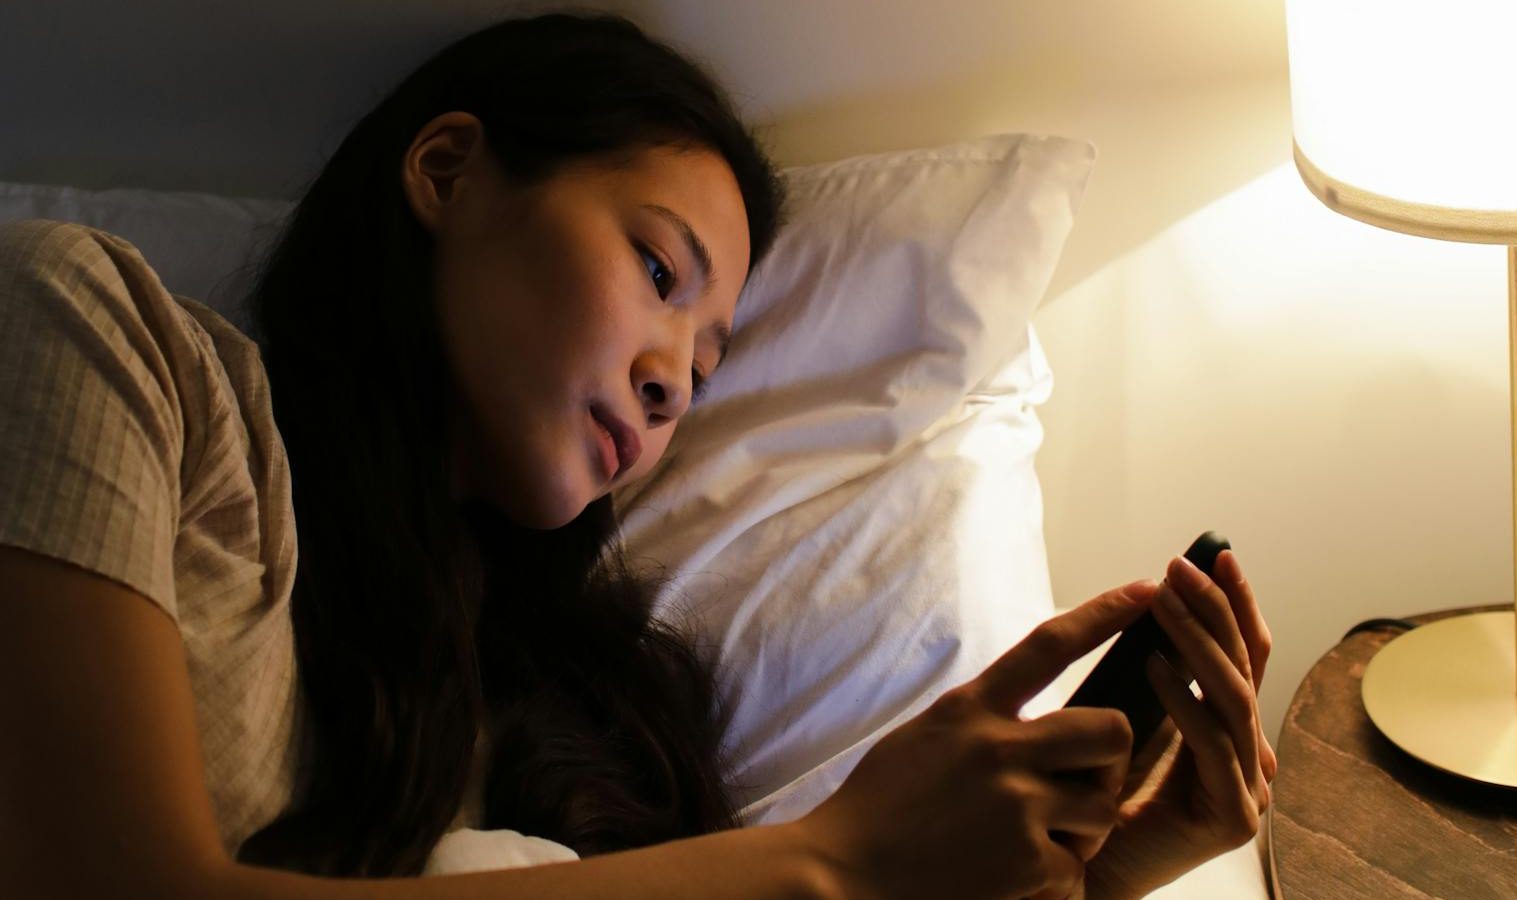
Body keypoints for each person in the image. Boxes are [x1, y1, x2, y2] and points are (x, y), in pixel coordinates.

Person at [0, 12, 1274, 900]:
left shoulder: (531, 706)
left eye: (706, 370)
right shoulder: (99, 337)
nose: (671, 382)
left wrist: (1099, 877)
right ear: (447, 171)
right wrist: (834, 860)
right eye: (660, 272)